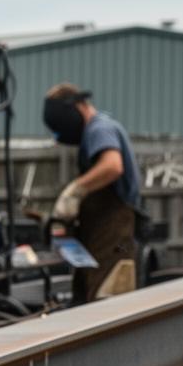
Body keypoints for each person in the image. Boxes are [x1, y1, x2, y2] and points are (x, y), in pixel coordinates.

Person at [43, 82, 143, 298]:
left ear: (78, 107)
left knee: (107, 307)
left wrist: (75, 191)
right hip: (101, 237)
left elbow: (112, 166)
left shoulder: (100, 128)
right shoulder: (98, 129)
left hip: (113, 238)